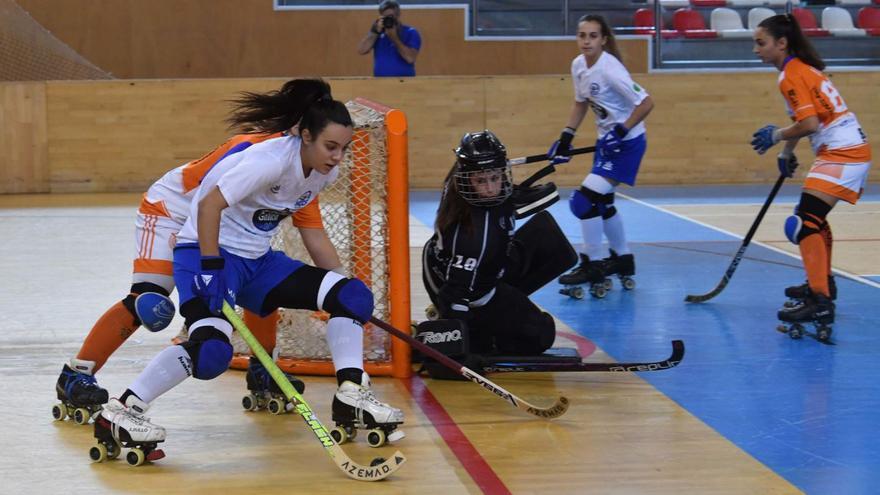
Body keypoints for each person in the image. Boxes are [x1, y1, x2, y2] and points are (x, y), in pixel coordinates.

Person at [93, 79, 405, 461]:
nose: (338, 157)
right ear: (306, 136)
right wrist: (211, 268)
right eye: (330, 146)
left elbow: (314, 235)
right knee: (210, 352)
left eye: (344, 148)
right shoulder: (269, 160)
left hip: (259, 263)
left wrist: (345, 295)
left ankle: (352, 395)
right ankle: (121, 411)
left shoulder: (324, 171)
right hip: (205, 256)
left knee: (352, 295)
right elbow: (208, 205)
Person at [53, 107, 331, 424]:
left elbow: (314, 232)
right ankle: (77, 373)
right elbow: (206, 194)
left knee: (259, 282)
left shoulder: (307, 175)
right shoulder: (254, 151)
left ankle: (263, 368)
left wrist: (338, 293)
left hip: (217, 221)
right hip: (174, 209)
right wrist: (190, 241)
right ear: (303, 132)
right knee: (150, 300)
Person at [751, 14, 871, 327]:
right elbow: (803, 120)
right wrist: (787, 151)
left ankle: (820, 301)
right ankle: (822, 285)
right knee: (813, 219)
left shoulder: (791, 75)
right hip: (845, 148)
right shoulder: (800, 70)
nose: (755, 49)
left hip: (844, 151)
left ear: (781, 43)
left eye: (761, 43)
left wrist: (777, 136)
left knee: (804, 222)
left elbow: (810, 124)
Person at [422, 130, 577, 365]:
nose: (490, 189)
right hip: (469, 289)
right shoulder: (474, 238)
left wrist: (554, 158)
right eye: (481, 181)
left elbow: (480, 169)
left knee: (551, 242)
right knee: (541, 334)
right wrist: (459, 346)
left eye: (494, 177)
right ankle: (482, 333)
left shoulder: (458, 182)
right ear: (467, 177)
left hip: (456, 262)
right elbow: (454, 295)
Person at [548, 14, 654, 296]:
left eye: (593, 36)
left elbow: (646, 103)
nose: (586, 41)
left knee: (582, 201)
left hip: (627, 144)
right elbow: (580, 103)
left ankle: (591, 263)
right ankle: (623, 258)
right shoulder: (578, 65)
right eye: (582, 35)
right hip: (607, 143)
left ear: (604, 39)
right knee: (602, 203)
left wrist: (621, 130)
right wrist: (566, 136)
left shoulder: (610, 70)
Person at [357, 0, 421, 77]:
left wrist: (394, 38)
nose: (388, 20)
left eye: (391, 16)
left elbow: (410, 58)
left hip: (404, 81)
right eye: (385, 17)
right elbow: (361, 50)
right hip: (381, 81)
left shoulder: (411, 32)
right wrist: (375, 32)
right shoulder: (378, 32)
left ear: (398, 14)